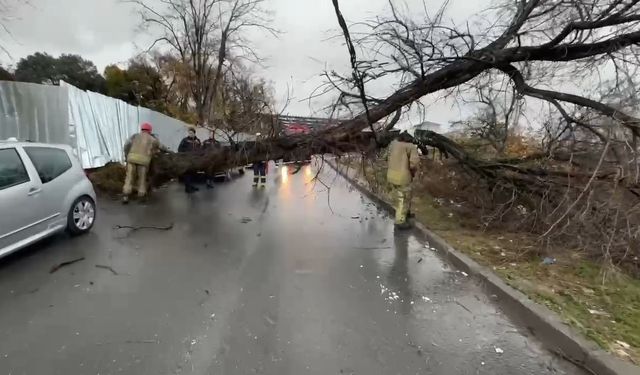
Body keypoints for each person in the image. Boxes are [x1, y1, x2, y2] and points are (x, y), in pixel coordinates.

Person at [122, 122, 168, 204]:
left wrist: (126, 156)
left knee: (129, 178)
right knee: (142, 179)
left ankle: (125, 195)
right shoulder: (152, 139)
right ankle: (141, 197)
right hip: (143, 161)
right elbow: (162, 147)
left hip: (131, 159)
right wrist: (169, 150)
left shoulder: (134, 136)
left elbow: (126, 145)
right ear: (150, 130)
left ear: (142, 129)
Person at [386, 131, 420, 229]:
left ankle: (406, 214)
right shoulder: (411, 147)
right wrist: (413, 173)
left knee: (399, 197)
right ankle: (400, 222)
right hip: (403, 177)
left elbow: (385, 157)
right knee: (403, 199)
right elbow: (414, 163)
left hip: (391, 175)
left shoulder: (392, 145)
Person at [178, 127, 202, 193]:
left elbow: (200, 149)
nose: (190, 134)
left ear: (194, 133)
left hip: (195, 160)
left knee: (194, 173)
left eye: (191, 133)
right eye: (189, 133)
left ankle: (192, 186)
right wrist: (184, 156)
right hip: (187, 160)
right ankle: (187, 188)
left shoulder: (198, 140)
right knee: (187, 174)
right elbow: (180, 149)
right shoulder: (185, 140)